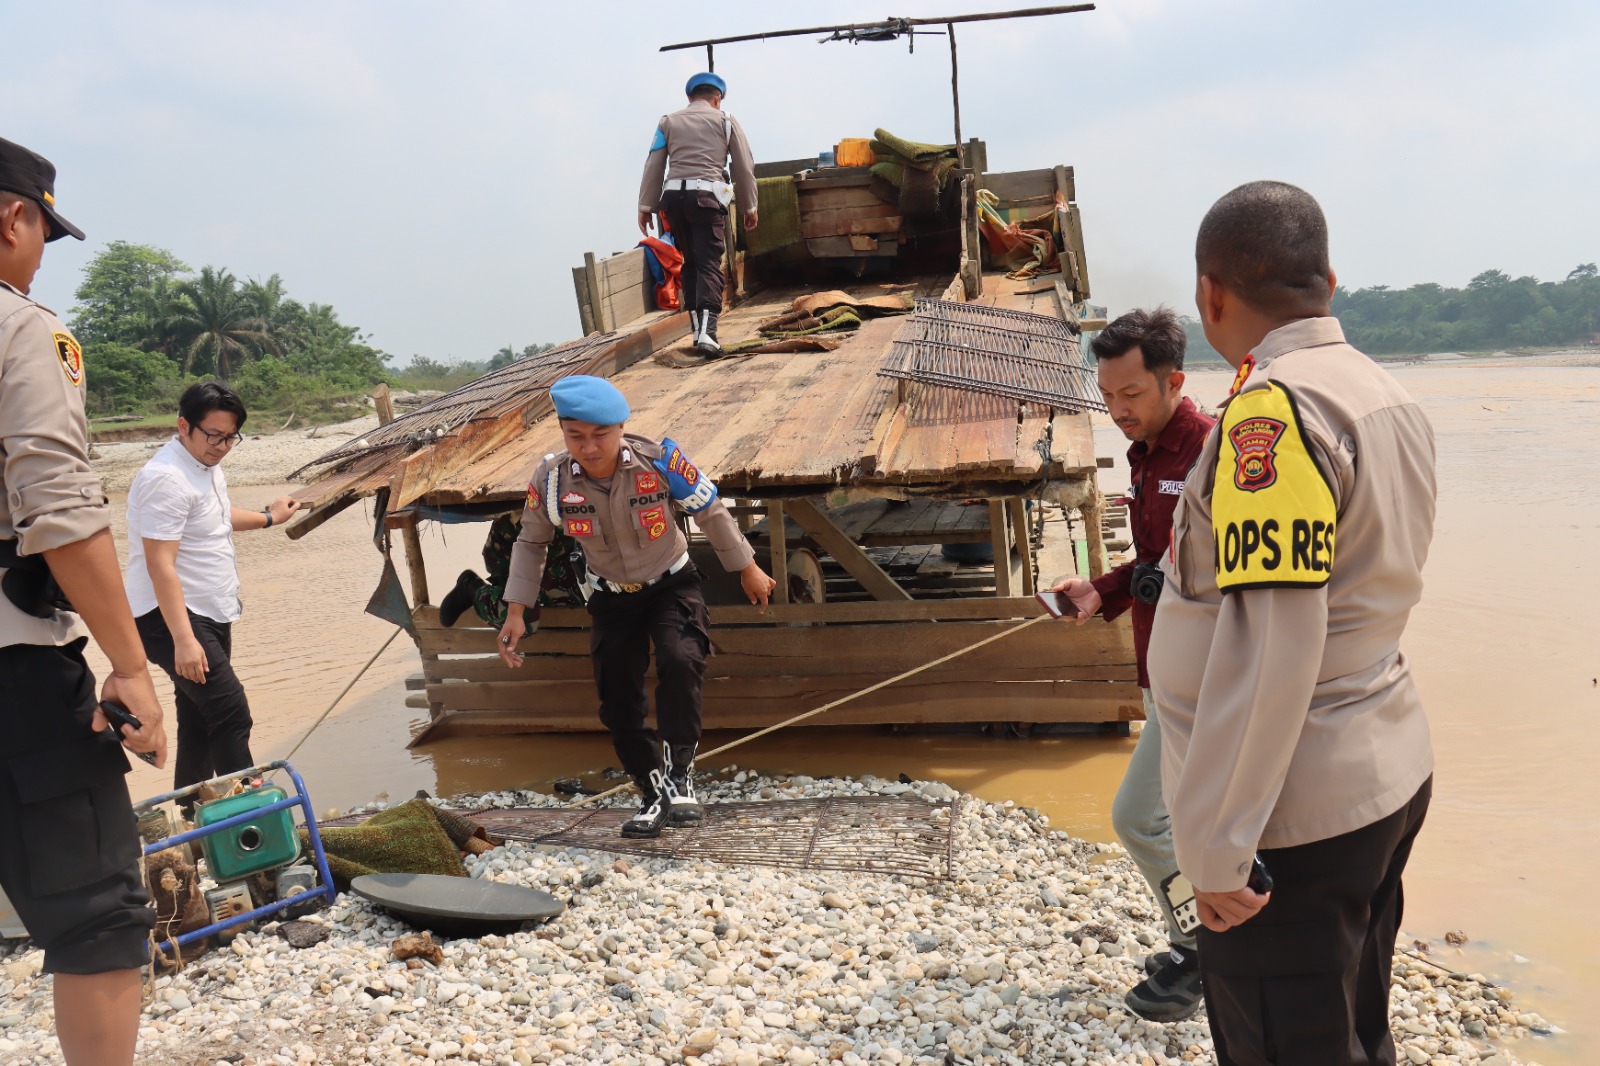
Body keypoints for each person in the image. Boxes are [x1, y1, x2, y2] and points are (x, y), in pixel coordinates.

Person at [1150, 181, 1436, 1065]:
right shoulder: (1382, 392)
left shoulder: (1271, 416)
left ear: (1211, 295)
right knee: (1353, 1029)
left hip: (1292, 813)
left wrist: (1221, 846)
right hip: (1382, 763)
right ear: (1331, 282)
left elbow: (1273, 646)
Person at [0, 135, 167, 1066]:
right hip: (15, 672)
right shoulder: (22, 329)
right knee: (98, 919)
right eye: (39, 233)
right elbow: (60, 511)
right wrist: (132, 666)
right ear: (12, 217)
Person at [498, 375, 776, 837]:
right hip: (610, 597)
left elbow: (709, 508)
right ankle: (653, 794)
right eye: (575, 436)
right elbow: (530, 542)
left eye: (600, 434)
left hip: (672, 582)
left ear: (621, 427)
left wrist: (746, 567)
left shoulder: (660, 459)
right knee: (618, 702)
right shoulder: (550, 481)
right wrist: (515, 611)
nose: (589, 447)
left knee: (681, 658)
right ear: (564, 433)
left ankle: (681, 775)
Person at [1049, 306, 1214, 1021]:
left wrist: (1160, 582)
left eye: (1132, 396)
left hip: (1206, 682)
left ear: (1175, 380)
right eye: (1108, 397)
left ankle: (1206, 951)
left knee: (1139, 821)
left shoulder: (1213, 452)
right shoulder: (1146, 454)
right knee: (1176, 823)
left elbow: (1227, 581)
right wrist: (1102, 590)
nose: (1118, 411)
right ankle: (1204, 942)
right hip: (1161, 670)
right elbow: (1155, 564)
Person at [124, 381, 299, 805]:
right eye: (213, 436)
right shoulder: (165, 478)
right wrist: (184, 640)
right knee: (231, 712)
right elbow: (159, 564)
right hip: (171, 617)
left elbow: (215, 517)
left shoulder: (202, 465)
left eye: (230, 437)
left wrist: (268, 518)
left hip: (209, 610)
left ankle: (192, 825)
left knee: (201, 719)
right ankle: (255, 821)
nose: (222, 446)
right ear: (184, 425)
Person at [637, 72, 759, 356]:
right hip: (706, 199)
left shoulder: (668, 122)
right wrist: (749, 206)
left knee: (689, 263)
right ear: (717, 98)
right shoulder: (726, 121)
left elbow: (654, 164)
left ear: (690, 97)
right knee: (708, 264)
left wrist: (646, 206)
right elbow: (743, 166)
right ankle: (708, 334)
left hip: (673, 202)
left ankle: (697, 331)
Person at [438, 514, 585, 628]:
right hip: (514, 547)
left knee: (570, 612)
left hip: (558, 553)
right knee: (524, 619)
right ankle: (471, 587)